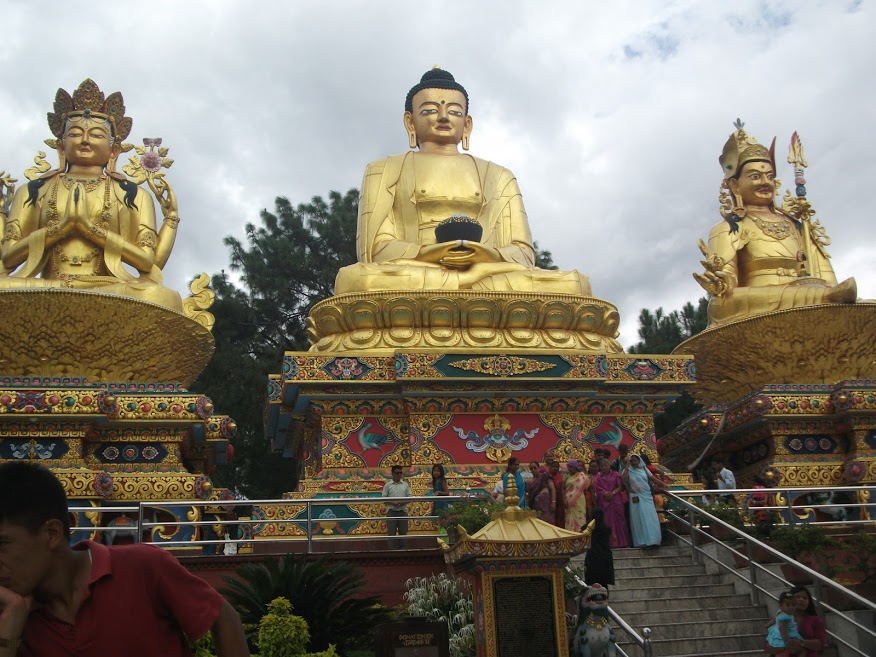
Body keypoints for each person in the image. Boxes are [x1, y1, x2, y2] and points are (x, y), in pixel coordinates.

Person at [333, 67, 591, 296]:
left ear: (467, 124)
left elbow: (522, 253)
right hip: (418, 272)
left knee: (577, 285)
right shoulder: (384, 170)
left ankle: (468, 286)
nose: (444, 117)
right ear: (410, 121)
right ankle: (468, 287)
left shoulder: (498, 175)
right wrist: (430, 253)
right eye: (430, 110)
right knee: (355, 280)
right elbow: (376, 250)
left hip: (489, 273)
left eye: (454, 111)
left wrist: (488, 256)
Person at [0, 461, 248, 657]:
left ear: (52, 533)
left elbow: (223, 617)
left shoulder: (142, 567)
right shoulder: (14, 615)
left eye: (3, 545)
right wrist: (9, 632)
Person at [0, 79, 182, 311]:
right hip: (47, 286)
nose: (85, 140)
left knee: (159, 296)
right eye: (75, 133)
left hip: (106, 289)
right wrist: (62, 228)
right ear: (61, 147)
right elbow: (8, 258)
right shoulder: (33, 191)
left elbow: (146, 262)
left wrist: (88, 228)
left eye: (96, 135)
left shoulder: (133, 195)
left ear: (114, 150)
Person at [694, 121, 856, 326]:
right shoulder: (729, 228)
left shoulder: (799, 227)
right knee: (721, 304)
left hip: (812, 293)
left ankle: (818, 300)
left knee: (853, 301)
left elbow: (833, 284)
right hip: (761, 303)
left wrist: (827, 292)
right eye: (755, 176)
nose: (765, 182)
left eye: (769, 176)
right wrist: (720, 281)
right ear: (735, 185)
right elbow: (727, 285)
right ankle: (817, 301)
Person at [764, 586, 826, 657]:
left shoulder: (815, 620)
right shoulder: (781, 618)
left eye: (805, 598)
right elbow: (768, 644)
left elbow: (821, 644)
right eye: (798, 597)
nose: (801, 600)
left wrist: (801, 643)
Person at [622, 453, 665, 548]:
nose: (633, 462)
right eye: (631, 461)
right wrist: (627, 467)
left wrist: (664, 485)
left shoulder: (644, 469)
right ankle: (642, 542)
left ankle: (653, 540)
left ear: (639, 461)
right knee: (638, 519)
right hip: (636, 497)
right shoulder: (627, 470)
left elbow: (653, 479)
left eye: (635, 460)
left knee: (650, 518)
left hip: (647, 497)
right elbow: (624, 480)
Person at [594, 459, 630, 548]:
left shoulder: (616, 475)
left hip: (616, 500)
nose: (604, 467)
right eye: (602, 466)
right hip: (605, 501)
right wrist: (604, 493)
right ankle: (609, 543)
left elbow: (620, 487)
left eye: (606, 465)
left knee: (620, 520)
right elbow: (597, 489)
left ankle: (622, 542)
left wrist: (612, 493)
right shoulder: (598, 477)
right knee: (607, 521)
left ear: (610, 465)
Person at [583, 509, 615, 591]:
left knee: (591, 583)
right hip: (605, 558)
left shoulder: (588, 528)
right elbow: (612, 539)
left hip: (592, 557)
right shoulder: (606, 529)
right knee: (604, 584)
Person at [382, 465, 412, 549]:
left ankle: (402, 551)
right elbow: (384, 498)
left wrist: (403, 502)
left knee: (403, 532)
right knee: (391, 533)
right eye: (397, 473)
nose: (399, 475)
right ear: (392, 474)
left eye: (400, 473)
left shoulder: (405, 485)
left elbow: (410, 497)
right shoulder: (388, 485)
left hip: (403, 511)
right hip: (392, 511)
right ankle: (392, 551)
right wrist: (392, 502)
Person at [766, 591, 804, 656]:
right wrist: (786, 641)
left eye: (793, 605)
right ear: (781, 606)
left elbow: (773, 621)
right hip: (783, 638)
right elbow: (782, 629)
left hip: (782, 636)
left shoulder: (780, 613)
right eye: (788, 605)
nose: (791, 607)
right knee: (787, 652)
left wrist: (767, 626)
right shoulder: (785, 617)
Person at [564, 460, 589, 532]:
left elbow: (586, 488)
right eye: (568, 467)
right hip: (568, 503)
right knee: (569, 520)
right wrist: (564, 500)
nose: (569, 469)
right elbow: (563, 489)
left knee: (580, 519)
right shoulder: (566, 476)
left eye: (571, 467)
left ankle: (580, 538)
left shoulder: (581, 475)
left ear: (575, 467)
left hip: (579, 501)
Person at [548, 459, 566, 529]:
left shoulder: (562, 477)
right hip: (550, 501)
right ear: (550, 467)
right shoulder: (547, 477)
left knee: (560, 518)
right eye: (553, 466)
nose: (555, 468)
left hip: (560, 501)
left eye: (556, 467)